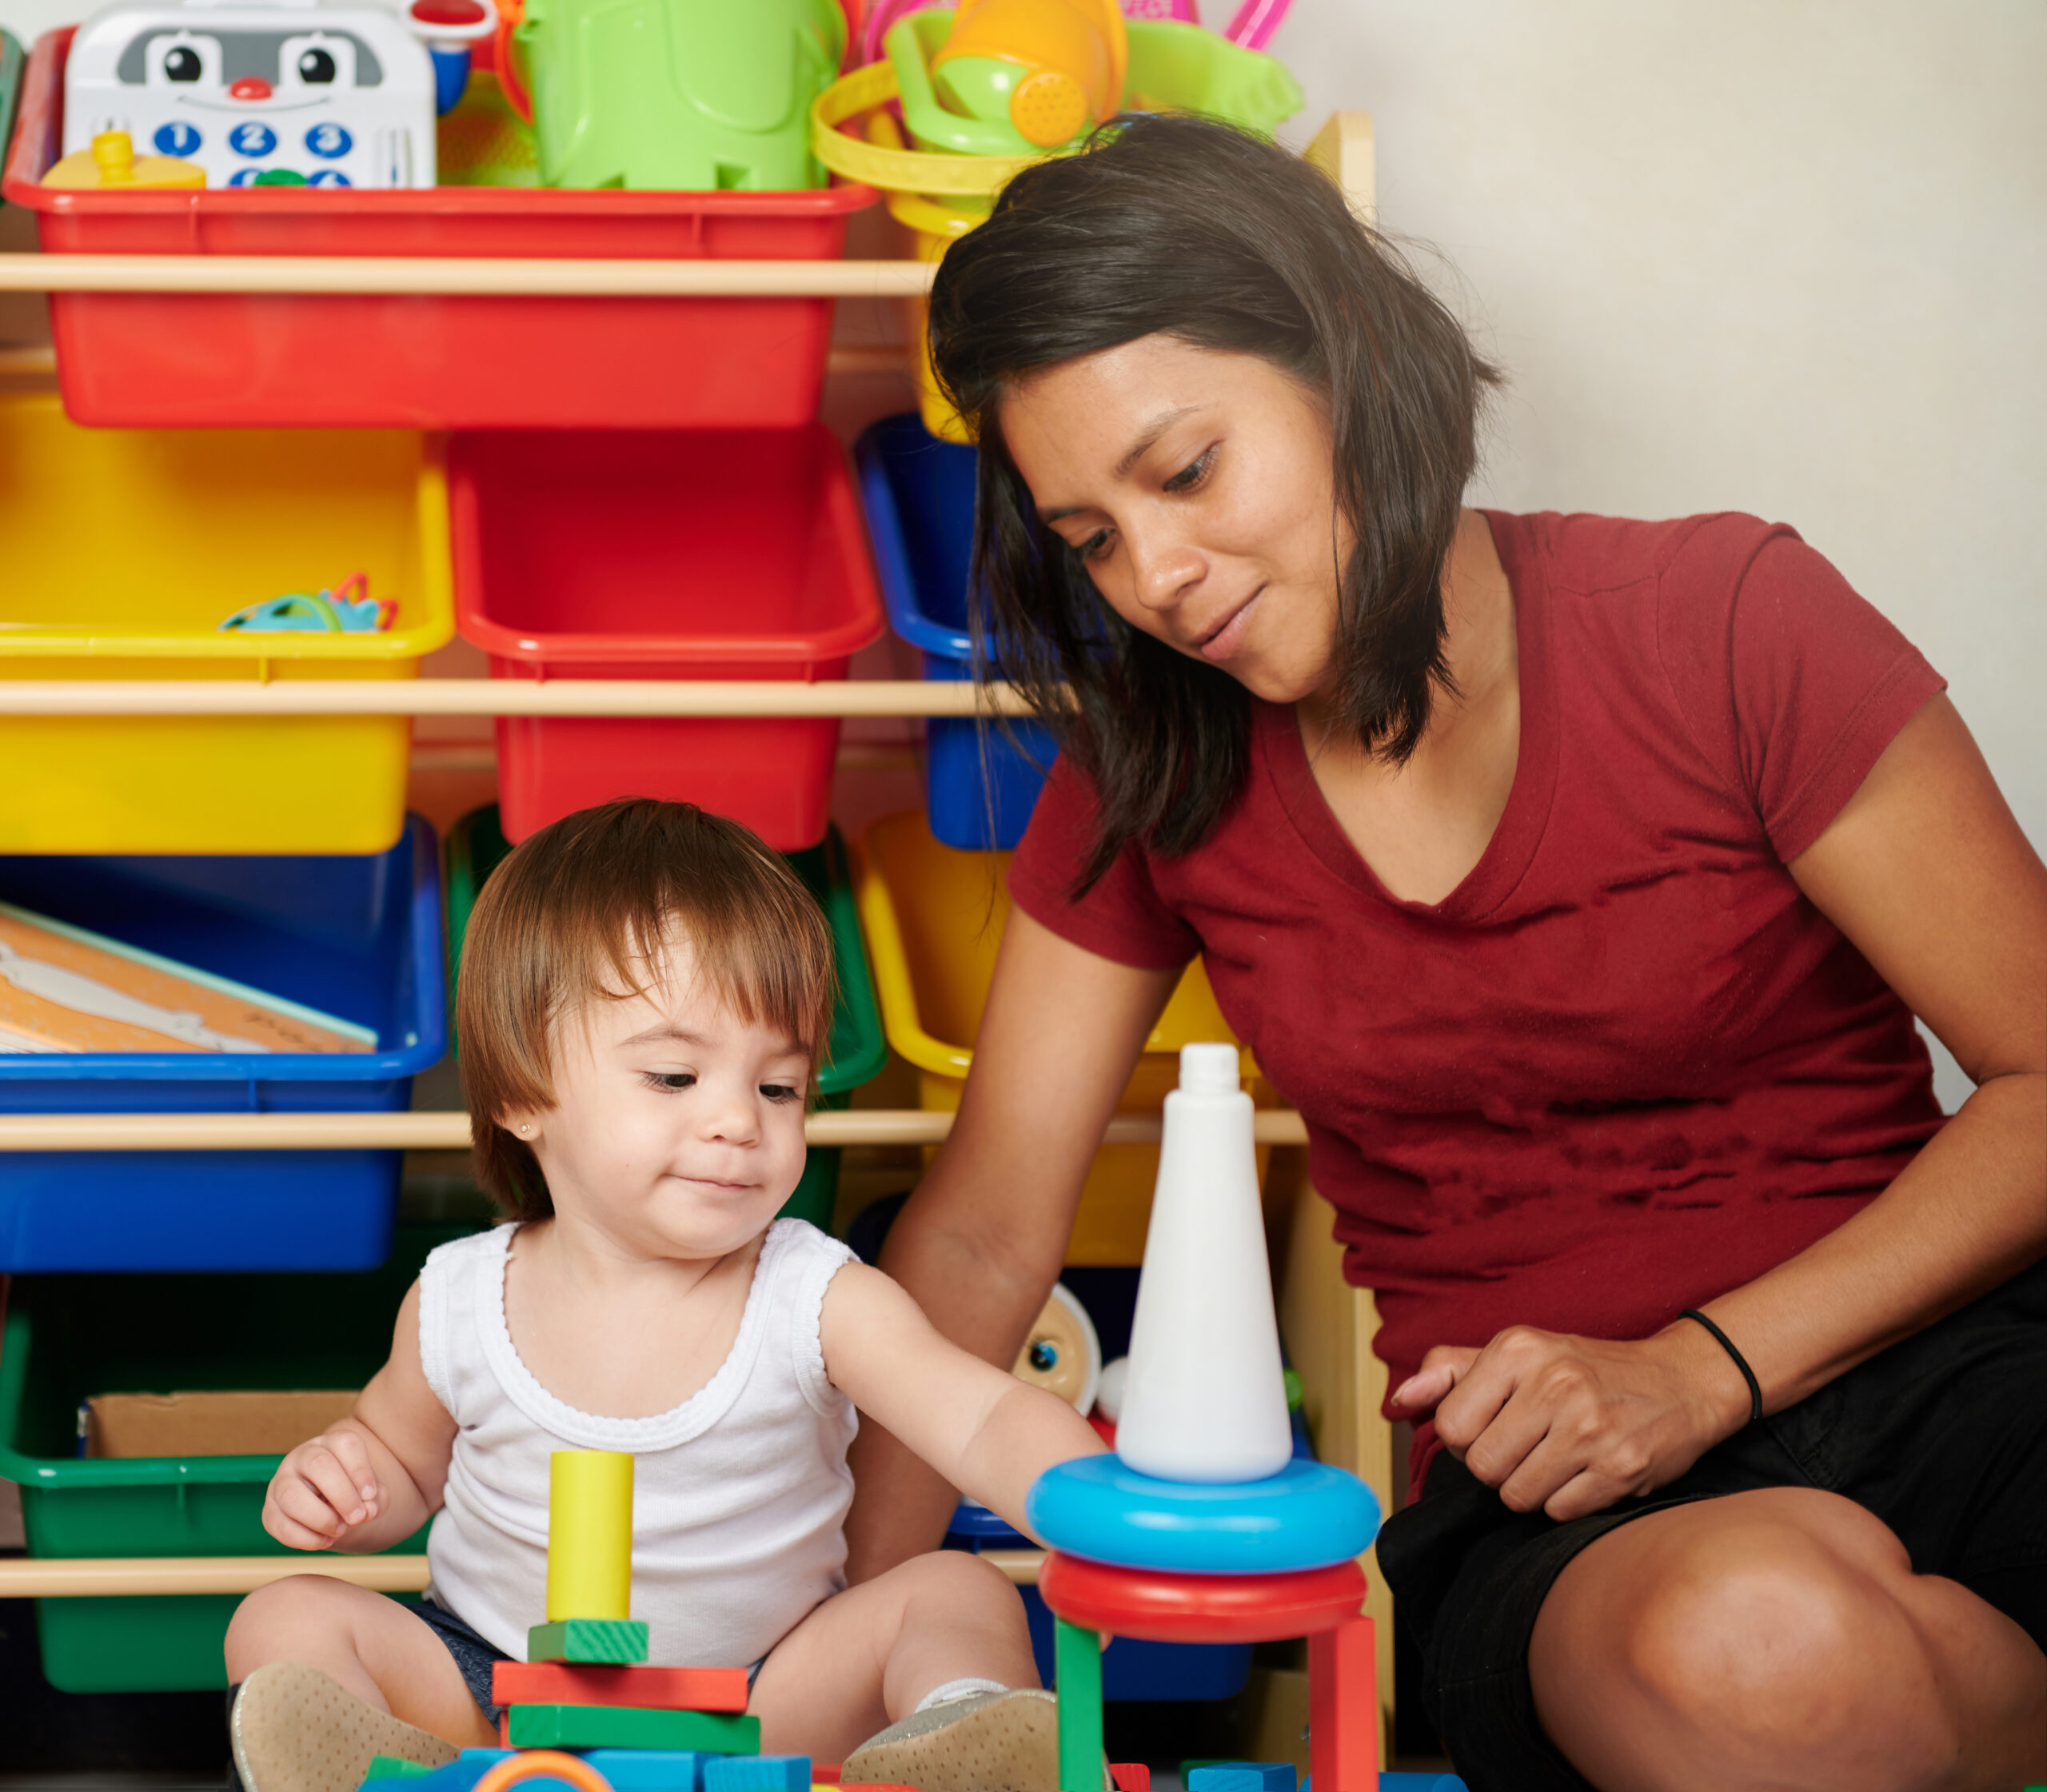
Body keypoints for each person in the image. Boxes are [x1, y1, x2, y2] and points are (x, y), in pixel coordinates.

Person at [844, 114, 2047, 1792]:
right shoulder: (1158, 771)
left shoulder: (1724, 618)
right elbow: (980, 1237)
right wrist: (834, 1641)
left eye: (1182, 472)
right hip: (1563, 1510)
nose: (1159, 576)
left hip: (1942, 1361)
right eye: (1092, 539)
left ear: (1348, 363)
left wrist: (1702, 1368)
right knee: (1763, 1649)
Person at [223, 800, 1104, 1792]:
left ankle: (957, 1742)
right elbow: (399, 1461)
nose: (737, 1120)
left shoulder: (814, 1294)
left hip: (767, 1698)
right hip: (491, 1689)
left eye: (779, 1088)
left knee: (954, 1591)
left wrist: (1109, 1512)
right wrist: (346, 1481)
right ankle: (403, 1769)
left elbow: (980, 1418)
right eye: (677, 1075)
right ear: (520, 1091)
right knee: (284, 1613)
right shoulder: (459, 1299)